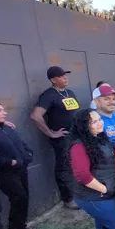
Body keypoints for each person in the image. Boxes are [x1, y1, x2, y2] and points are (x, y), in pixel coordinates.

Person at [31, 66, 80, 209]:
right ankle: (68, 199)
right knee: (64, 166)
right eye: (61, 76)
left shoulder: (69, 92)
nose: (65, 77)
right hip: (62, 138)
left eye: (66, 75)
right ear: (53, 80)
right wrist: (51, 133)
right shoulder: (49, 95)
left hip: (75, 135)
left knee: (76, 164)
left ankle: (78, 193)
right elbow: (35, 116)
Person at [0, 102, 33, 229]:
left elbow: (19, 142)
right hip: (5, 173)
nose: (4, 112)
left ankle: (21, 227)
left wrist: (28, 154)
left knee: (24, 197)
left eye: (3, 109)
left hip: (21, 168)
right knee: (18, 197)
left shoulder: (7, 127)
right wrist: (9, 162)